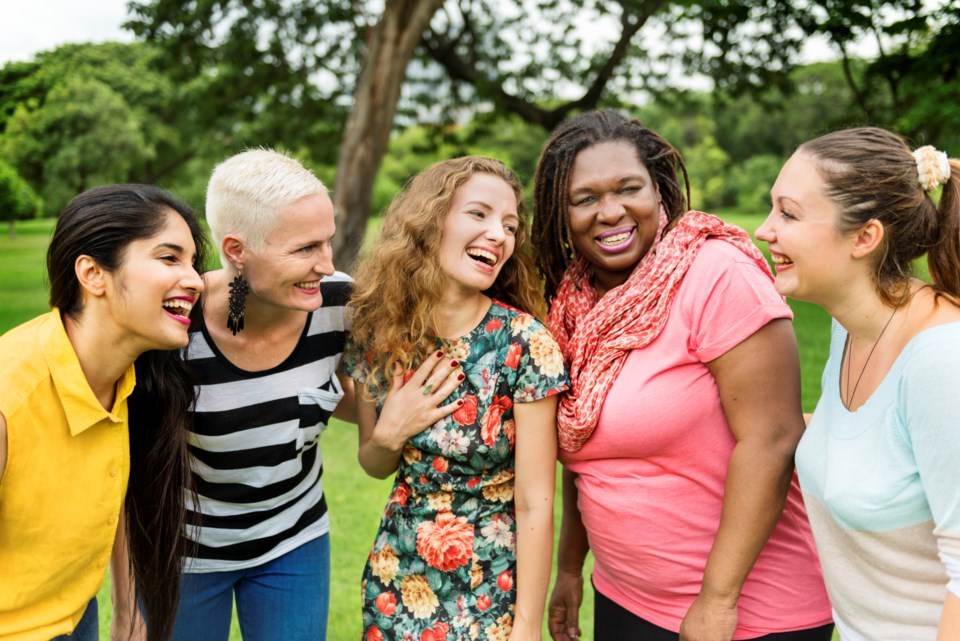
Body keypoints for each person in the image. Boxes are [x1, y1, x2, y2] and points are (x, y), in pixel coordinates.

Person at [532, 110, 833, 641]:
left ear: (660, 191)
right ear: (561, 213)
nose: (610, 212)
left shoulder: (714, 272)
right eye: (584, 198)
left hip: (747, 612)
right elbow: (589, 458)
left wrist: (716, 601)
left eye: (629, 188)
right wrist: (570, 569)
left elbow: (774, 438)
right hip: (624, 599)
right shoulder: (572, 306)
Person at [342, 156, 568, 641]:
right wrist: (390, 431)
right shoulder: (377, 332)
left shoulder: (525, 344)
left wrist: (526, 625)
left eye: (510, 225)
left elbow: (534, 503)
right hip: (396, 580)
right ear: (431, 221)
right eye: (480, 214)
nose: (499, 234)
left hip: (490, 590)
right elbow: (374, 462)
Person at [755, 127, 960, 640]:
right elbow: (866, 443)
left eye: (789, 213)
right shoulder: (850, 325)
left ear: (865, 238)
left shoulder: (940, 364)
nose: (763, 230)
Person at [0, 184, 206, 641]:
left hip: (75, 617)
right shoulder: (9, 397)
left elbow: (115, 499)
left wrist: (130, 615)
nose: (196, 280)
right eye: (170, 258)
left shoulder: (129, 379)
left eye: (193, 262)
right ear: (93, 274)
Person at [168, 149, 354, 641]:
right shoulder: (173, 326)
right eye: (306, 248)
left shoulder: (339, 304)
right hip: (184, 553)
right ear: (236, 250)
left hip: (295, 541)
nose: (327, 265)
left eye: (328, 242)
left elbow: (344, 397)